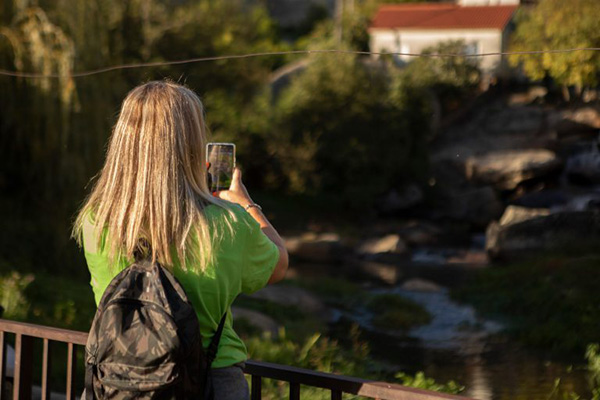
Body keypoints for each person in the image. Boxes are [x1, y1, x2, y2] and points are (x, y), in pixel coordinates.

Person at [72, 80, 289, 400]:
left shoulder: (96, 221)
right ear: (191, 143)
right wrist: (245, 204)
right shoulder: (230, 223)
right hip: (212, 383)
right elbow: (279, 264)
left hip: (121, 383)